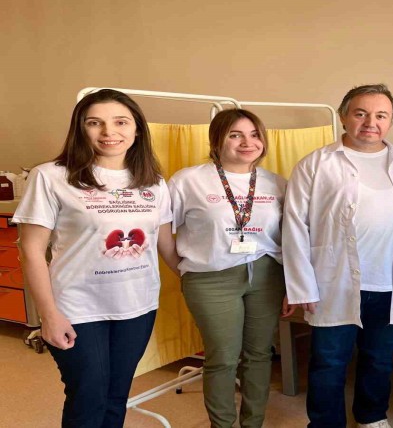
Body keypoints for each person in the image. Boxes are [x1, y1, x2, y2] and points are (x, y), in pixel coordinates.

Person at [13, 89, 180, 428]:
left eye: (121, 122)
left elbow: (165, 245)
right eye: (95, 123)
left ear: (137, 130)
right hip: (76, 307)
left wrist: (204, 278)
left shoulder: (153, 182)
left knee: (117, 396)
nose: (109, 132)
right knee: (88, 397)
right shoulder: (51, 176)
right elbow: (30, 250)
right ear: (80, 128)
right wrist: (49, 315)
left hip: (137, 306)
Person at [282, 84, 393, 428]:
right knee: (329, 361)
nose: (371, 122)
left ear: (391, 121)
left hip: (391, 283)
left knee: (380, 358)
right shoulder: (315, 164)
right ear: (343, 116)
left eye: (381, 115)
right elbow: (294, 226)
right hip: (333, 282)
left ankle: (372, 417)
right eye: (361, 113)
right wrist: (301, 286)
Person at [169, 109, 292, 428]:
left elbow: (289, 237)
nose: (247, 142)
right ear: (217, 141)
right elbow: (161, 231)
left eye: (254, 134)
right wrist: (184, 270)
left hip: (266, 275)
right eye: (235, 135)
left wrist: (292, 285)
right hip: (211, 279)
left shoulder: (276, 183)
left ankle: (253, 423)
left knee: (259, 355)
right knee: (223, 357)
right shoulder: (188, 180)